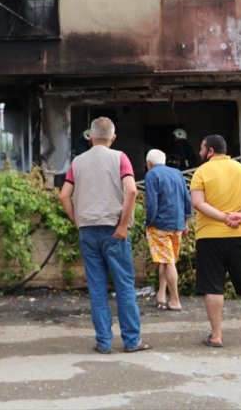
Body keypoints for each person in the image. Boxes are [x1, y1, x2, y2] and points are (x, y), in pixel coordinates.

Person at [59, 117, 152, 354]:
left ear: (90, 137)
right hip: (114, 230)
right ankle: (131, 341)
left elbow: (63, 195)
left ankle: (103, 342)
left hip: (88, 230)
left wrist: (77, 221)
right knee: (124, 287)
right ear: (113, 137)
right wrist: (123, 225)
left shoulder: (77, 161)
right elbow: (131, 191)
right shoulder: (120, 157)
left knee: (97, 289)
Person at [190, 134, 241, 347]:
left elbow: (197, 203)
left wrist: (223, 217)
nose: (200, 152)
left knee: (213, 286)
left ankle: (216, 336)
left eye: (202, 148)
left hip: (209, 237)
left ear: (210, 151)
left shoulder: (202, 172)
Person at [144, 148, 192, 311]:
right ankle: (161, 294)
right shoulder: (177, 173)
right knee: (166, 260)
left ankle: (175, 300)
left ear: (149, 164)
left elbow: (152, 203)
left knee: (168, 261)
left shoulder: (151, 175)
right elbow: (187, 198)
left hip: (160, 225)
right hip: (177, 224)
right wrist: (186, 221)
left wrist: (149, 222)